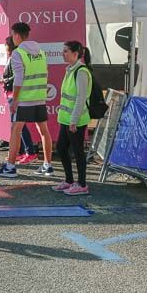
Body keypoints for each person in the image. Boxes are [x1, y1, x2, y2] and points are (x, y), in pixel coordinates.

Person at [0, 22, 54, 178]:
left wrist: (15, 100)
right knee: (43, 131)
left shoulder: (18, 53)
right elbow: (44, 71)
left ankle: (10, 167)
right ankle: (47, 165)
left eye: (13, 35)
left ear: (17, 35)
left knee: (15, 130)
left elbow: (19, 78)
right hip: (39, 98)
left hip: (24, 99)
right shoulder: (40, 51)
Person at [53, 41, 93, 196]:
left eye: (66, 51)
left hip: (75, 120)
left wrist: (74, 121)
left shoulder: (81, 72)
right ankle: (69, 180)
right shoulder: (70, 70)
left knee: (77, 152)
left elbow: (81, 98)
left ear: (75, 54)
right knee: (61, 148)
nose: (63, 54)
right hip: (66, 119)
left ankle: (82, 184)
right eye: (63, 51)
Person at [0, 37, 37, 164]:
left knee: (19, 126)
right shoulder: (11, 58)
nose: (4, 48)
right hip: (11, 93)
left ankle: (29, 152)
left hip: (15, 95)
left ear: (9, 46)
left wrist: (3, 80)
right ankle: (20, 152)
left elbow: (16, 76)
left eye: (5, 45)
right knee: (17, 126)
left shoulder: (15, 57)